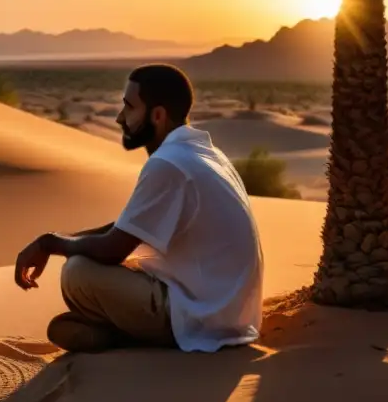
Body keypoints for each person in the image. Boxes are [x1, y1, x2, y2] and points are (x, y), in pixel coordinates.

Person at [14, 63, 264, 353]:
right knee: (96, 258)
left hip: (199, 319)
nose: (121, 117)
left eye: (129, 107)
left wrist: (49, 243)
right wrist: (60, 239)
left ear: (157, 115)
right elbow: (127, 228)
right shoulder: (205, 154)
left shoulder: (168, 163)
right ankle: (115, 328)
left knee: (78, 271)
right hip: (230, 315)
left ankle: (119, 335)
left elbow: (113, 248)